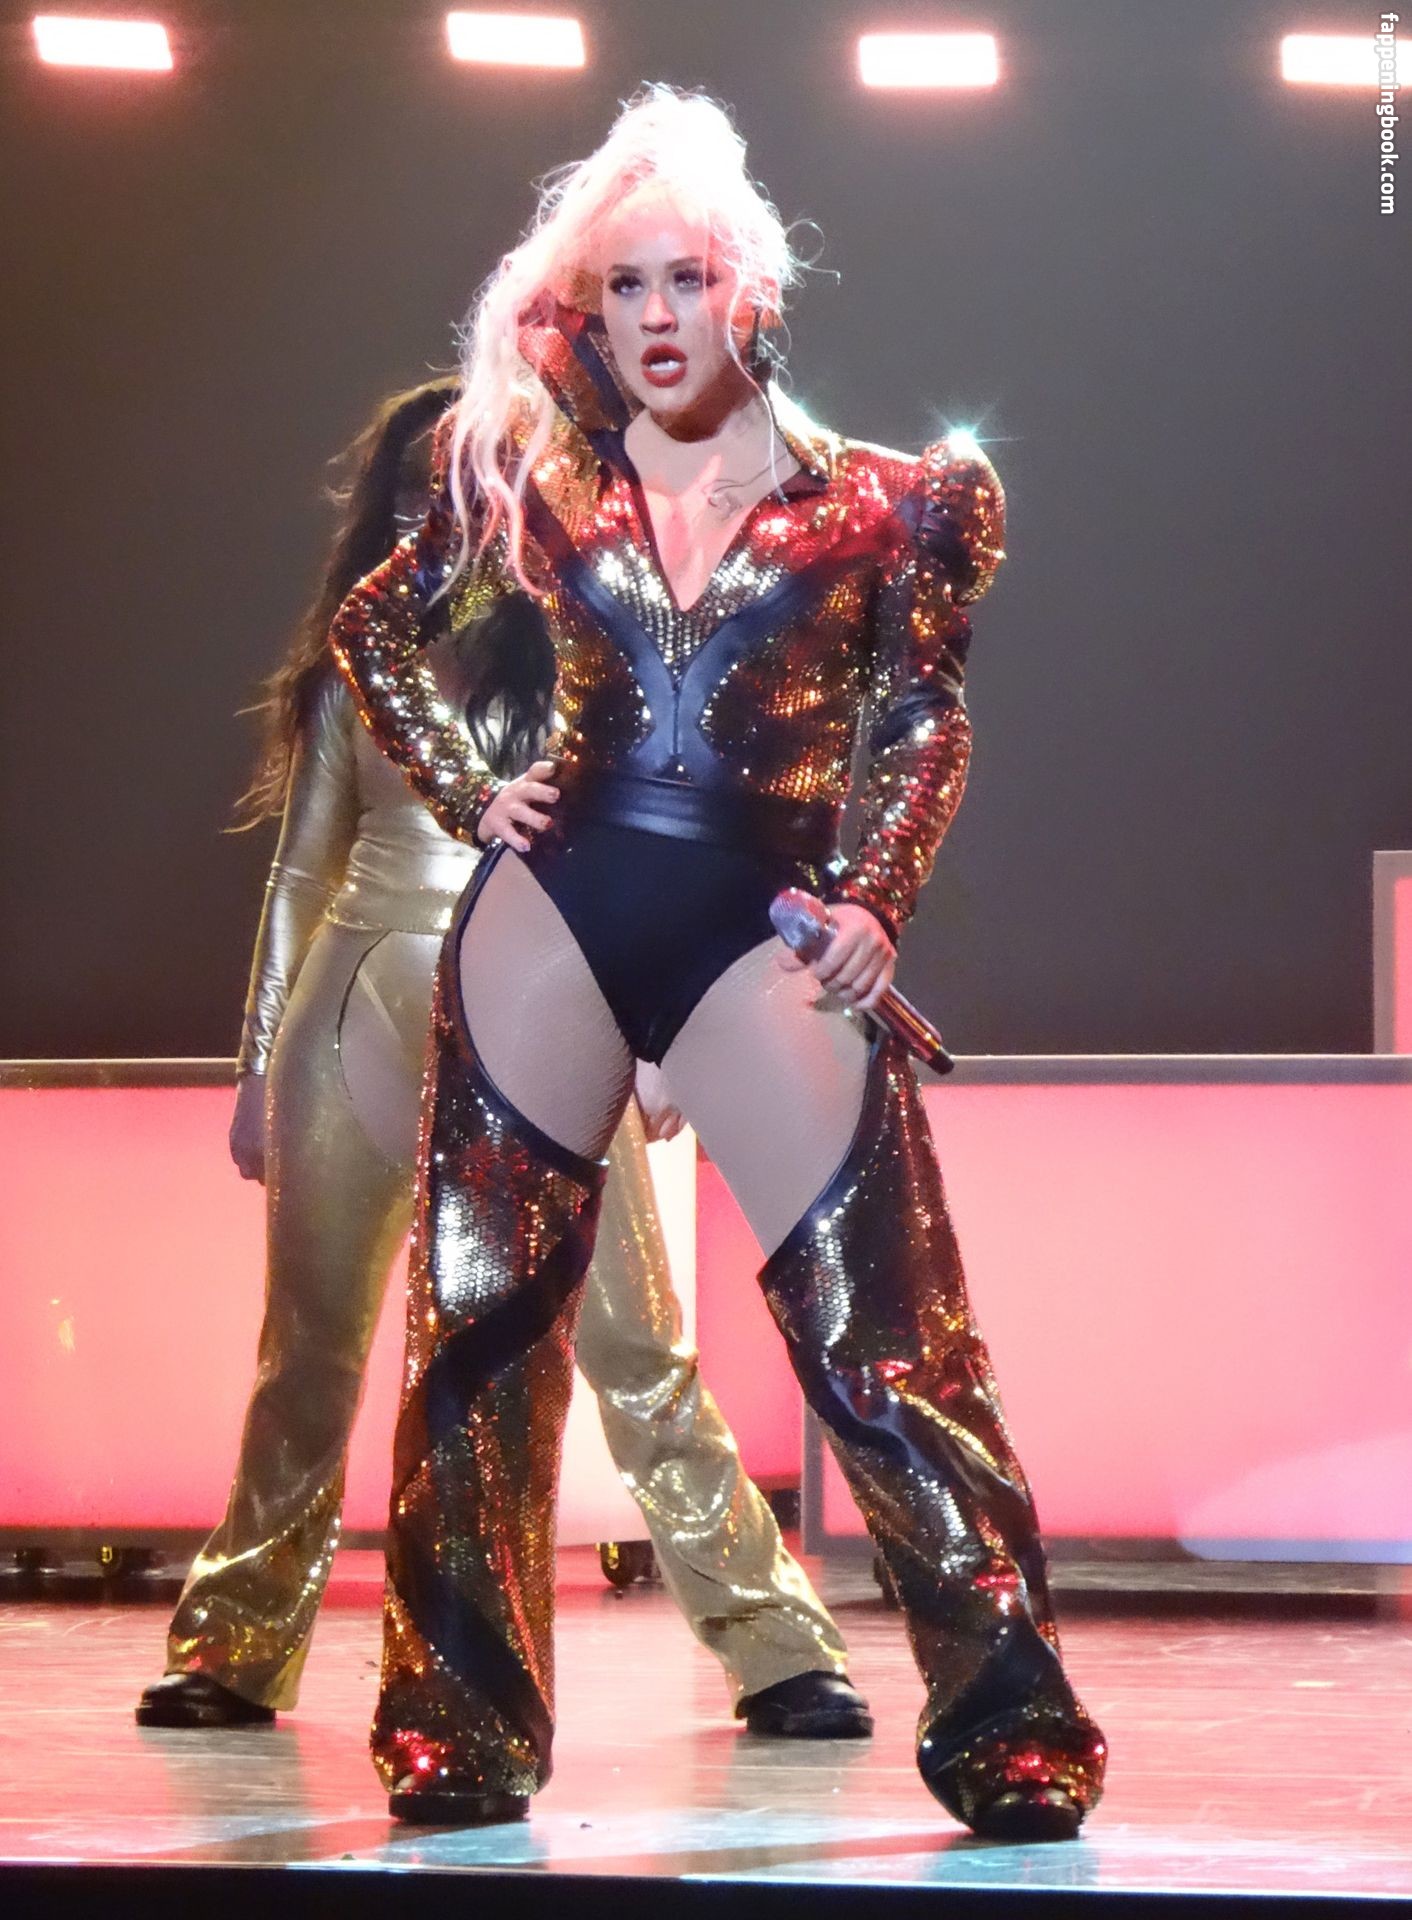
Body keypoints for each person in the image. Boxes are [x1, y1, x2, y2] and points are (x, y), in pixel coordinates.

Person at [330, 86, 1108, 1839]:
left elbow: (924, 718)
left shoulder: (895, 505)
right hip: (556, 911)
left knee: (888, 1340)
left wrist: (877, 897)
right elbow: (375, 628)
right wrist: (467, 789)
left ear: (752, 285)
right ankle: (457, 1722)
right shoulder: (536, 484)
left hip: (761, 926)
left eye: (685, 277)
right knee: (478, 1331)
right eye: (623, 287)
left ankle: (1011, 1719)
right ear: (589, 314)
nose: (657, 315)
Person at [134, 375, 871, 1742]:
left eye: (477, 473)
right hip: (353, 1006)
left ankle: (778, 1649)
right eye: (428, 481)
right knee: (308, 1349)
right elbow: (300, 876)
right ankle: (232, 1643)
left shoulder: (595, 649)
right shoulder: (358, 663)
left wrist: (659, 1042)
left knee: (637, 1344)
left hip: (548, 1009)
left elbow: (652, 856)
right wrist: (255, 1071)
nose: (453, 501)